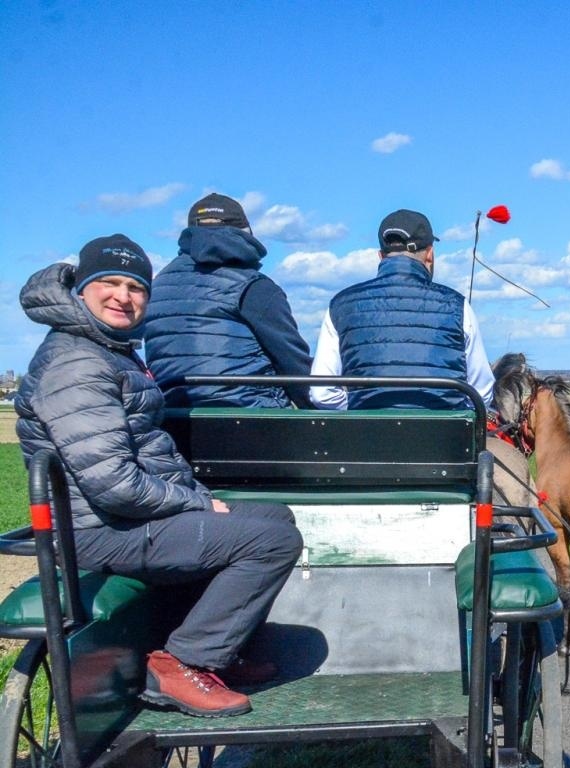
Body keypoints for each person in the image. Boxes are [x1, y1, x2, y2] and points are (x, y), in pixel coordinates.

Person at [16, 235, 303, 717]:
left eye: (135, 287)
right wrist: (196, 503)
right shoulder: (77, 362)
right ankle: (183, 663)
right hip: (103, 529)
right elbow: (113, 483)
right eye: (108, 283)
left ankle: (215, 650)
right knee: (271, 543)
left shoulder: (106, 349)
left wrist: (197, 500)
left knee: (273, 516)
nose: (123, 297)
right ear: (81, 288)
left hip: (119, 521)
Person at [309, 209, 534, 518]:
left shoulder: (340, 304)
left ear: (380, 255)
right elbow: (481, 393)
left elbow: (321, 394)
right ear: (430, 254)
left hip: (365, 459)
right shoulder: (458, 306)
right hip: (445, 462)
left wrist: (360, 410)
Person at [144, 193, 312, 408]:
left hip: (174, 418)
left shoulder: (157, 285)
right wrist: (317, 411)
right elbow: (292, 362)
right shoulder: (254, 286)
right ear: (245, 232)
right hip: (250, 418)